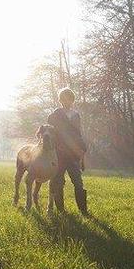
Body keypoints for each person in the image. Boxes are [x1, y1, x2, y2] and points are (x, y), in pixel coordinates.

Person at [47, 87, 88, 215]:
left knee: (78, 182)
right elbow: (50, 134)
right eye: (64, 98)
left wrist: (82, 151)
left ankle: (83, 211)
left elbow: (78, 134)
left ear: (72, 100)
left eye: (69, 98)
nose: (67, 101)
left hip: (73, 155)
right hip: (59, 154)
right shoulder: (54, 115)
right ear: (60, 100)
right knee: (58, 182)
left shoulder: (76, 115)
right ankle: (61, 211)